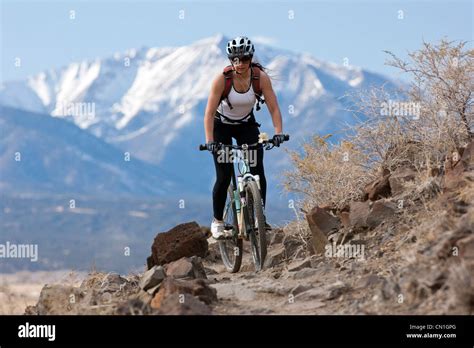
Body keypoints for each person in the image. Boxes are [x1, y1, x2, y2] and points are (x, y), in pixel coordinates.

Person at [203, 36, 285, 239]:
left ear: (250, 58)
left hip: (246, 126)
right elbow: (208, 113)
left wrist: (278, 132)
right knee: (224, 175)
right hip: (221, 127)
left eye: (244, 59)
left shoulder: (260, 78)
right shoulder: (222, 79)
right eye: (235, 60)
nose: (240, 64)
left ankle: (259, 217)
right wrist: (210, 141)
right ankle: (218, 222)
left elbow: (273, 107)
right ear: (231, 60)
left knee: (257, 171)